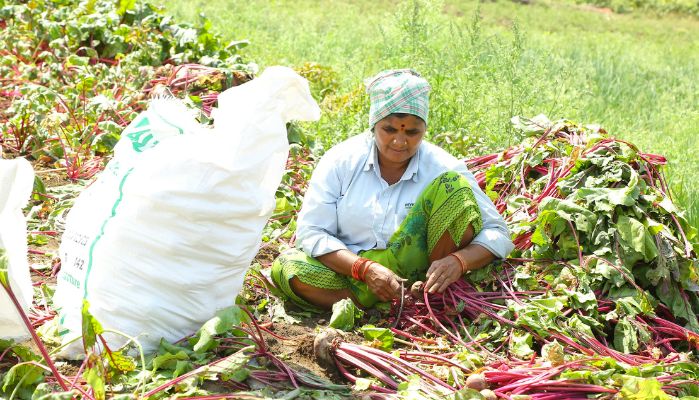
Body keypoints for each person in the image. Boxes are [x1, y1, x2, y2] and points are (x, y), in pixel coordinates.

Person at [271, 69, 514, 311]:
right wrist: (364, 269)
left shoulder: (442, 167)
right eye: (389, 129)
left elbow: (497, 233)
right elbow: (312, 232)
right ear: (374, 124)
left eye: (412, 132)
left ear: (424, 130)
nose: (400, 142)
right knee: (288, 267)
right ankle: (380, 305)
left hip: (421, 275)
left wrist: (459, 261)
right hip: (352, 273)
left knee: (454, 188)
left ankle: (422, 295)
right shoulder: (340, 161)